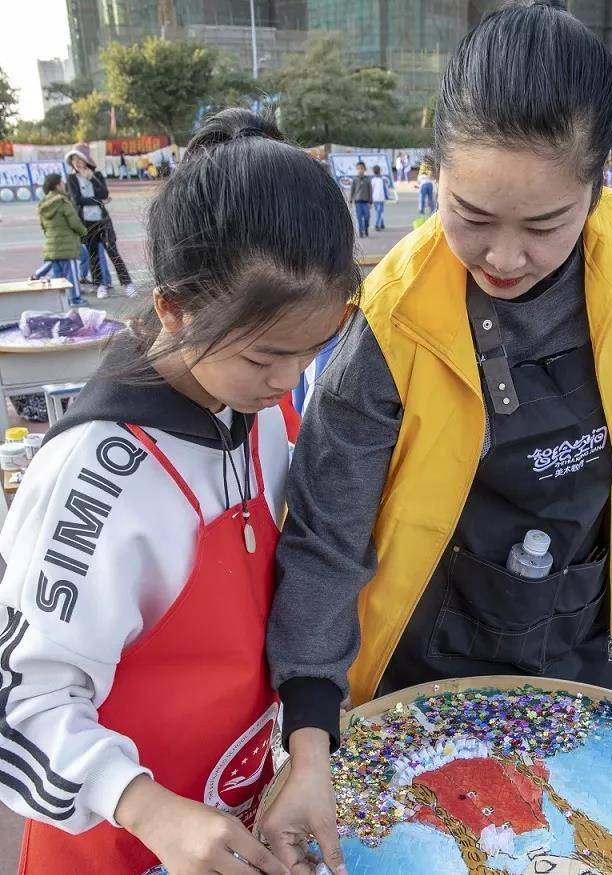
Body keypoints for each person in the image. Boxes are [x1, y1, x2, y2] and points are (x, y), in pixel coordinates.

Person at [260, 4, 612, 872]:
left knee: (577, 841)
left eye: (545, 225)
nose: (505, 257)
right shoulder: (390, 326)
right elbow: (325, 539)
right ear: (434, 168)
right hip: (430, 655)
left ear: (600, 184)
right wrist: (309, 738)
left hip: (584, 626)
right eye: (472, 214)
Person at [0, 108, 358, 875]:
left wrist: (306, 743)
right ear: (171, 307)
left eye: (310, 351)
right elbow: (22, 704)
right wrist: (148, 807)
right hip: (114, 838)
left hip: (233, 807)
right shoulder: (97, 475)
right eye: (265, 356)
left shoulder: (259, 404)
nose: (288, 380)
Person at [65, 143, 135, 298]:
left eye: (79, 159)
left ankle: (128, 284)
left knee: (113, 253)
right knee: (93, 256)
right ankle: (100, 286)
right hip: (86, 223)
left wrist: (92, 180)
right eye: (74, 160)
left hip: (103, 221)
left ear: (86, 160)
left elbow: (104, 193)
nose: (77, 162)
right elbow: (77, 200)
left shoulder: (96, 175)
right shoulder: (71, 178)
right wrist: (99, 201)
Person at [35, 172, 88, 306]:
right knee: (71, 274)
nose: (64, 184)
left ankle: (59, 301)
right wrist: (83, 232)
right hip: (67, 244)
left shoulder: (43, 203)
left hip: (51, 243)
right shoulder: (63, 201)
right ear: (57, 185)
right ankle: (75, 299)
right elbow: (74, 223)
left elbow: (43, 225)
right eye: (62, 182)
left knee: (57, 276)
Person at [350, 161, 372, 238]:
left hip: (366, 202)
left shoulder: (367, 179)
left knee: (367, 217)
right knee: (359, 218)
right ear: (357, 169)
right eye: (358, 168)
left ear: (364, 169)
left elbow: (370, 190)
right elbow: (352, 190)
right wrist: (350, 199)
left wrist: (370, 201)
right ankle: (360, 231)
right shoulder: (355, 179)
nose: (360, 170)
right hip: (357, 202)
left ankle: (366, 228)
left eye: (362, 168)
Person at [371, 164, 388, 230]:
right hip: (380, 198)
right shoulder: (382, 179)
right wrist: (386, 196)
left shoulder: (373, 180)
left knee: (378, 211)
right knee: (379, 211)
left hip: (376, 198)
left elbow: (371, 189)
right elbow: (385, 189)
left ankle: (377, 224)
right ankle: (381, 222)